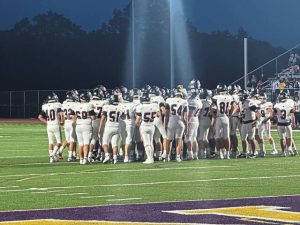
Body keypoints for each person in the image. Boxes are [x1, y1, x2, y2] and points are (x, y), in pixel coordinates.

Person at [135, 92, 160, 164]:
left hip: (144, 126)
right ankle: (151, 157)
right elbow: (158, 115)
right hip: (152, 126)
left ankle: (150, 158)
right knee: (151, 143)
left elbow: (137, 121)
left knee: (146, 143)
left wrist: (138, 125)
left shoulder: (140, 107)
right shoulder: (155, 106)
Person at [38, 93, 63, 163]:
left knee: (50, 142)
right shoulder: (57, 104)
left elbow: (39, 117)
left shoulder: (44, 106)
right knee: (59, 142)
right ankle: (53, 154)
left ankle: (51, 159)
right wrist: (61, 121)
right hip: (56, 125)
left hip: (49, 125)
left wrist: (47, 122)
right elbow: (60, 113)